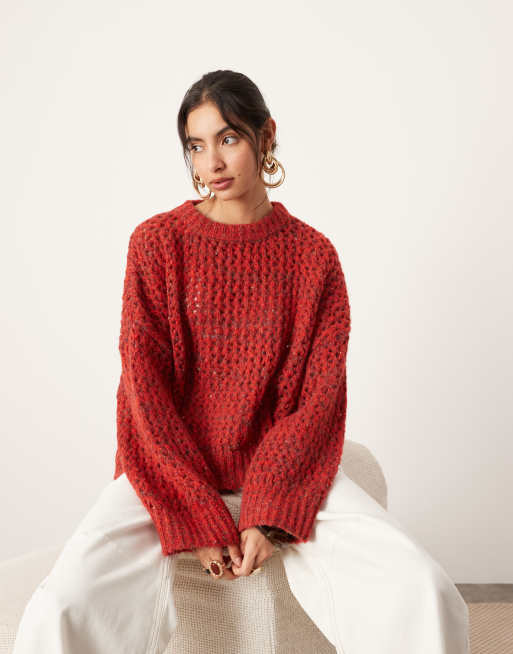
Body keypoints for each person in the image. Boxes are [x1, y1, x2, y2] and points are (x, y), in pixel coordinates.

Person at [12, 69, 470, 653]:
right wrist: (195, 512)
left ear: (265, 136)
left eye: (228, 138)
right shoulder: (157, 244)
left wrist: (270, 509)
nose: (212, 162)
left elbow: (319, 400)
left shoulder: (313, 257)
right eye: (196, 146)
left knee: (424, 589)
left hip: (287, 470)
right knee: (61, 606)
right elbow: (144, 393)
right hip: (167, 473)